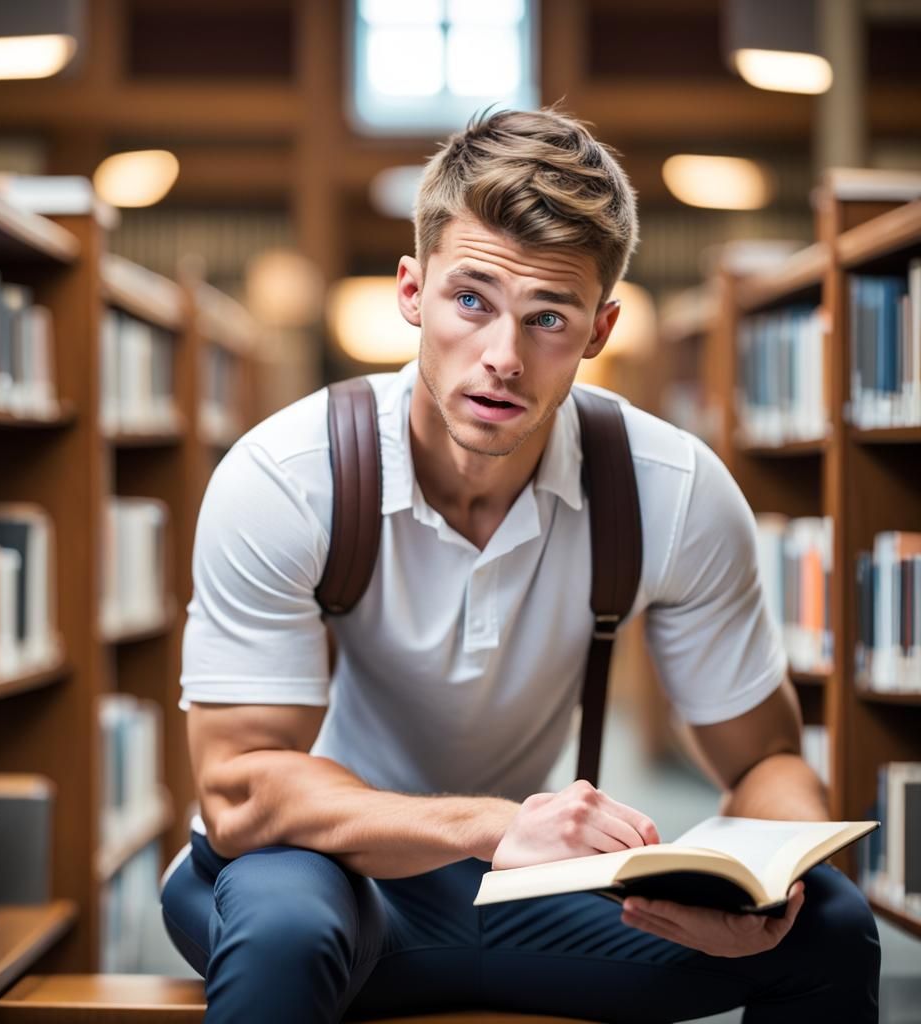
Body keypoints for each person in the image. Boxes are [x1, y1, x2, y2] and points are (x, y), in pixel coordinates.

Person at [161, 107, 880, 1023]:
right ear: (412, 291)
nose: (503, 358)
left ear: (599, 328)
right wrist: (491, 825)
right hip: (326, 875)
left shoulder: (673, 489)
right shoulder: (288, 476)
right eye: (471, 301)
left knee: (831, 928)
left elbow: (767, 756)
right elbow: (242, 789)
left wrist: (769, 884)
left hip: (534, 893)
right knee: (284, 933)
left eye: (547, 317)